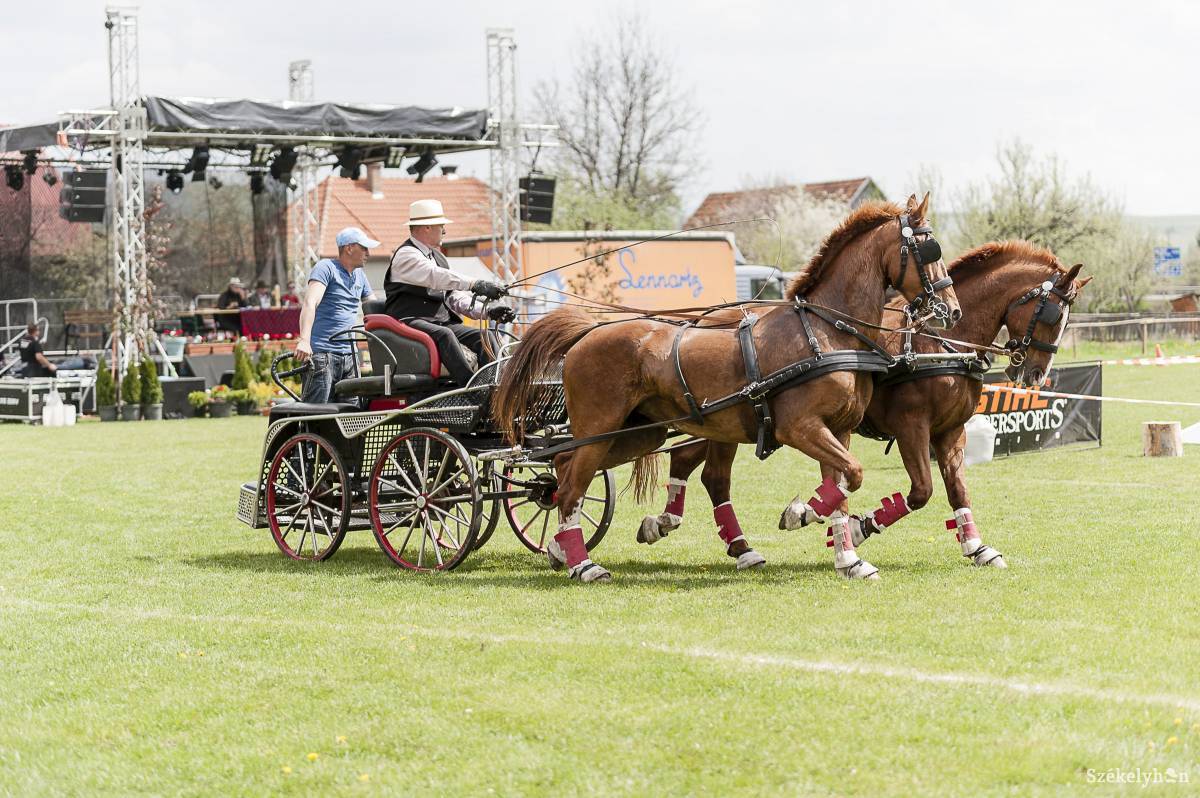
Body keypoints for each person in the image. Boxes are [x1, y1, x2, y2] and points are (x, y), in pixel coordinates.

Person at [383, 199, 514, 385]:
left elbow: (453, 297)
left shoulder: (439, 258)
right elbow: (435, 276)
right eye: (441, 226)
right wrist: (475, 284)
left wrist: (488, 311)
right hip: (408, 321)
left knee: (484, 336)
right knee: (445, 335)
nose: (444, 231)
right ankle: (471, 388)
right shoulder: (406, 255)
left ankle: (493, 386)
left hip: (440, 322)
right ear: (427, 227)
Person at [295, 227, 381, 404]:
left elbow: (375, 310)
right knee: (316, 417)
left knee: (350, 418)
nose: (368, 253)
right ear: (349, 248)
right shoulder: (325, 268)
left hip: (350, 356)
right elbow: (310, 302)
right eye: (364, 248)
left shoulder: (360, 276)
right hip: (322, 356)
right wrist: (304, 340)